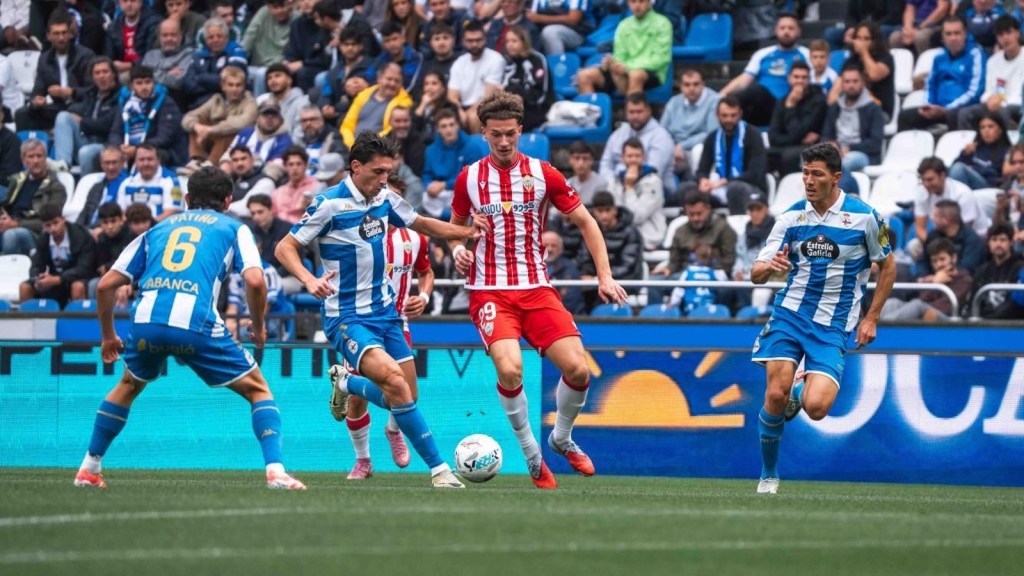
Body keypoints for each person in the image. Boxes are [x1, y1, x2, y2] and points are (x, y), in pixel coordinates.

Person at [275, 130, 488, 489]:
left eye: (388, 172)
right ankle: (440, 471)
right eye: (377, 172)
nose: (383, 179)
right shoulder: (329, 204)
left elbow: (420, 223)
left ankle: (347, 382)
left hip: (387, 314)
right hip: (347, 317)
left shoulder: (384, 197)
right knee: (392, 382)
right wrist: (310, 280)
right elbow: (285, 247)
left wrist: (463, 232)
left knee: (405, 395)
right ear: (356, 168)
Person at [73, 166, 306, 490]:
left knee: (128, 385)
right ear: (228, 201)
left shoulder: (157, 229)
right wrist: (258, 326)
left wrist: (108, 335)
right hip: (195, 322)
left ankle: (88, 468)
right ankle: (276, 472)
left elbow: (104, 286)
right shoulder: (235, 228)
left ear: (186, 199)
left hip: (147, 322)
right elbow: (255, 280)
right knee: (258, 390)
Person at [448, 91, 628, 489]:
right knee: (511, 368)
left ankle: (561, 438)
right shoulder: (469, 178)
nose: (504, 142)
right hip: (490, 291)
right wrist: (458, 249)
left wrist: (604, 275)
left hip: (537, 288)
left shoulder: (543, 174)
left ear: (521, 131)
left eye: (511, 134)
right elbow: (454, 227)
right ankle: (533, 456)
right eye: (496, 135)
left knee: (579, 368)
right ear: (483, 134)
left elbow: (586, 222)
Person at [750, 142, 896, 494]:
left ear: (836, 177)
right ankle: (769, 475)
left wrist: (871, 317)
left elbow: (888, 266)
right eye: (805, 174)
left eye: (817, 174)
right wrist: (769, 268)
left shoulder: (867, 217)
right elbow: (755, 273)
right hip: (789, 314)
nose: (809, 181)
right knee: (774, 394)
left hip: (834, 324)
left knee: (816, 408)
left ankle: (802, 388)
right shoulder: (790, 217)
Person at [329, 173, 435, 479]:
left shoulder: (414, 239)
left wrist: (424, 295)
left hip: (396, 322)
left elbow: (426, 272)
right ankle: (363, 460)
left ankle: (393, 428)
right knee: (360, 398)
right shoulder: (357, 236)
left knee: (409, 396)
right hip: (361, 320)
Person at [719, 13, 809, 127]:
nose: (786, 32)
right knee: (731, 106)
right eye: (782, 28)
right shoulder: (762, 54)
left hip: (788, 106)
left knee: (756, 91)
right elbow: (744, 80)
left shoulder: (806, 54)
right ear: (776, 30)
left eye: (791, 28)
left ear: (798, 31)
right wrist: (721, 96)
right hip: (762, 106)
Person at [897, 16, 986, 132]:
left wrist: (947, 109)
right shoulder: (939, 57)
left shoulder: (976, 54)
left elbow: (975, 91)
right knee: (905, 116)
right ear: (943, 37)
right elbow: (931, 85)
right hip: (937, 109)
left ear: (965, 34)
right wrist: (929, 107)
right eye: (948, 34)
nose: (953, 38)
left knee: (955, 115)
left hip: (960, 109)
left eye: (957, 33)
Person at [685, 95, 768, 215]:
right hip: (719, 189)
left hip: (751, 188)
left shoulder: (753, 135)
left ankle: (739, 228)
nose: (729, 119)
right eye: (724, 116)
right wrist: (703, 180)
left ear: (740, 114)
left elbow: (755, 173)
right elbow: (702, 169)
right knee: (688, 189)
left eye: (733, 115)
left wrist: (726, 181)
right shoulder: (712, 137)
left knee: (734, 188)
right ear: (717, 115)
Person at [15, 11, 95, 132]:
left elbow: (93, 91)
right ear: (49, 36)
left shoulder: (85, 56)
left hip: (81, 104)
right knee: (22, 114)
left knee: (71, 111)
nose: (61, 38)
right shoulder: (44, 60)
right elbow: (38, 90)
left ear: (71, 34)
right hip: (58, 106)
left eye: (64, 33)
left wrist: (70, 92)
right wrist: (36, 101)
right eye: (56, 34)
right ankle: (32, 147)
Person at [575, 0, 671, 97]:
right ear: (628, 3)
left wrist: (628, 67)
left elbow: (660, 59)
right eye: (633, 2)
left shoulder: (663, 23)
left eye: (641, 1)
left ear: (650, 2)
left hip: (652, 72)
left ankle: (633, 111)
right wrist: (613, 63)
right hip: (623, 70)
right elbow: (620, 55)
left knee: (635, 75)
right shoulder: (624, 25)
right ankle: (589, 111)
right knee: (584, 76)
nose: (637, 5)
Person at [576, 190, 644, 310]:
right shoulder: (590, 231)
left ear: (615, 210)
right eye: (600, 211)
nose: (604, 215)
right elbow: (585, 258)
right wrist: (590, 276)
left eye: (607, 210)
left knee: (601, 294)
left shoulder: (630, 232)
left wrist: (601, 278)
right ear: (594, 212)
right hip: (597, 280)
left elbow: (628, 265)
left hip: (626, 279)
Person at [598, 93, 675, 197]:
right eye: (631, 112)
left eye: (639, 112)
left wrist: (621, 177)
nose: (635, 116)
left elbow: (652, 170)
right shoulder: (618, 134)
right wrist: (614, 183)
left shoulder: (661, 136)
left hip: (655, 189)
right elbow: (605, 164)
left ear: (648, 111)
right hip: (619, 187)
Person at [19, 203, 96, 306]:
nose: (53, 229)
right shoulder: (43, 239)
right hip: (54, 278)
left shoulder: (81, 236)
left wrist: (58, 279)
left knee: (77, 287)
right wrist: (38, 279)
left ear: (63, 219)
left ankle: (77, 321)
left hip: (78, 278)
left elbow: (85, 268)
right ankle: (28, 321)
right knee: (24, 287)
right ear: (43, 226)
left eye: (55, 223)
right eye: (48, 225)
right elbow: (36, 264)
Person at [181, 65, 258, 167]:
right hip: (210, 140)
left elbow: (242, 122)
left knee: (227, 132)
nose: (234, 89)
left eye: (238, 85)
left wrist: (211, 130)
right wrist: (197, 127)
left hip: (235, 144)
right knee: (198, 123)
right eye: (230, 85)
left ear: (243, 86)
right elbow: (188, 117)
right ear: (223, 86)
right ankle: (196, 160)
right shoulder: (216, 99)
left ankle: (211, 164)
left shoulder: (250, 102)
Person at [1, 139, 68, 256]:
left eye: (39, 156)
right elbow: (7, 206)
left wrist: (17, 224)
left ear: (45, 159)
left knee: (12, 235)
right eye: (31, 157)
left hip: (34, 233)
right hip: (11, 223)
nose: (36, 161)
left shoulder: (56, 187)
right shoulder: (18, 180)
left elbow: (51, 222)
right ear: (23, 160)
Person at [108, 65, 185, 167]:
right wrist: (120, 146)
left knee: (152, 156)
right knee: (104, 156)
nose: (144, 87)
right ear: (132, 86)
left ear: (153, 83)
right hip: (127, 149)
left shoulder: (166, 103)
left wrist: (137, 149)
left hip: (157, 149)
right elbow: (115, 131)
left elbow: (165, 137)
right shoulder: (125, 103)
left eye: (148, 82)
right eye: (139, 83)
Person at [54, 56, 120, 174]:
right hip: (88, 138)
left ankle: (86, 189)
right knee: (63, 116)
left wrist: (82, 121)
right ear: (93, 77)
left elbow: (106, 125)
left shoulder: (121, 95)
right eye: (97, 73)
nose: (101, 76)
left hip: (108, 145)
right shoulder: (91, 93)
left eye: (105, 72)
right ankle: (63, 164)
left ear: (113, 74)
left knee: (85, 152)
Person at [957, 15, 1024, 131]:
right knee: (964, 113)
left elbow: (1020, 95)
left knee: (1003, 112)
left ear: (1018, 33)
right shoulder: (993, 61)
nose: (1005, 38)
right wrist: (989, 100)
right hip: (995, 103)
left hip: (1017, 105)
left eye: (1009, 33)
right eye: (1001, 35)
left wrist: (1001, 102)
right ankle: (974, 146)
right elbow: (989, 91)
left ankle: (1010, 146)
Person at [881, 237, 971, 320]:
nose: (938, 264)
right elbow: (923, 299)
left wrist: (936, 284)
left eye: (942, 259)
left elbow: (945, 307)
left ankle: (880, 329)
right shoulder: (935, 278)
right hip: (927, 311)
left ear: (954, 258)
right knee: (892, 303)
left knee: (917, 305)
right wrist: (935, 283)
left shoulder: (964, 280)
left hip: (951, 321)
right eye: (934, 261)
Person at [421, 108, 487, 218]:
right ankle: (450, 217)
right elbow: (427, 174)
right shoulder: (431, 150)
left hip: (461, 191)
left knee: (472, 196)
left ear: (458, 126)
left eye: (452, 125)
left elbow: (473, 177)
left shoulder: (471, 146)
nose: (449, 129)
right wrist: (428, 186)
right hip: (441, 194)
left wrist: (444, 185)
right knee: (425, 198)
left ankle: (454, 219)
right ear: (438, 129)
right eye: (444, 126)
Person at [767, 61, 828, 176]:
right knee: (765, 155)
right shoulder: (782, 102)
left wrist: (791, 106)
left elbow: (798, 131)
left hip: (812, 147)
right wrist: (797, 139)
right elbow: (773, 137)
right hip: (791, 145)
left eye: (804, 77)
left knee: (788, 156)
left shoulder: (818, 101)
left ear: (809, 79)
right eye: (796, 77)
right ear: (789, 79)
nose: (799, 81)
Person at [821, 64, 886, 173]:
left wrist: (849, 148)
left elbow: (875, 142)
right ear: (841, 84)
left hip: (863, 154)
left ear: (863, 83)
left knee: (842, 163)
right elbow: (826, 135)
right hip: (836, 152)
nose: (851, 85)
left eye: (855, 81)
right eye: (847, 82)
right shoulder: (835, 107)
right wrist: (832, 145)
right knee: (809, 161)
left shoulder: (874, 109)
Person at [607, 137, 665, 251]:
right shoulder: (615, 181)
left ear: (643, 158)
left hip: (649, 238)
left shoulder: (653, 181)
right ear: (622, 158)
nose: (633, 160)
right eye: (630, 156)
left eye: (637, 156)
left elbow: (636, 216)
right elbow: (615, 213)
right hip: (621, 237)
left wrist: (629, 187)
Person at [830, 22, 896, 122]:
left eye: (866, 39)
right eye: (858, 38)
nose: (861, 43)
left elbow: (874, 75)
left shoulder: (885, 58)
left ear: (875, 41)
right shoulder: (851, 61)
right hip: (851, 109)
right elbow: (834, 93)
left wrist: (864, 52)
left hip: (879, 112)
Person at [447, 20, 505, 133]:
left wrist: (468, 114)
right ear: (463, 41)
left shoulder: (496, 59)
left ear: (485, 39)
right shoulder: (459, 62)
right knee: (445, 118)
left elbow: (488, 96)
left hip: (487, 106)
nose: (474, 44)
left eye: (478, 40)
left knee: (475, 116)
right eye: (470, 41)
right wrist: (459, 111)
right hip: (462, 107)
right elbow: (452, 95)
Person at [913, 157, 989, 242]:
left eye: (930, 179)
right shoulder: (922, 192)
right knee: (914, 245)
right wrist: (933, 246)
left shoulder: (962, 194)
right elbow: (920, 229)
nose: (926, 184)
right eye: (923, 180)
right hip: (942, 239)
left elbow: (965, 231)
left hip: (975, 237)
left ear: (942, 176)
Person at [661, 69, 720, 179]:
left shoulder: (714, 100)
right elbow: (662, 132)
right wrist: (672, 148)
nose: (691, 88)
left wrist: (682, 146)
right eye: (687, 85)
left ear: (703, 84)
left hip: (698, 148)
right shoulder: (673, 102)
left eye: (696, 84)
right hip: (675, 150)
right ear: (680, 86)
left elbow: (711, 133)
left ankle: (699, 185)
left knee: (699, 150)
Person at [340, 62, 414, 149]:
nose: (392, 84)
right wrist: (351, 144)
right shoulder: (363, 94)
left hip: (378, 148)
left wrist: (365, 144)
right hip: (349, 146)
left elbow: (391, 130)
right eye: (389, 79)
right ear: (379, 78)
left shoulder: (404, 102)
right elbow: (347, 125)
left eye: (397, 81)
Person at [183, 18, 250, 110]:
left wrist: (200, 78)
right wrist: (214, 86)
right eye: (211, 37)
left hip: (229, 105)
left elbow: (231, 82)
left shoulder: (237, 52)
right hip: (199, 105)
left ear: (226, 37)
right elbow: (188, 85)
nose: (215, 40)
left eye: (219, 36)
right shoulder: (198, 55)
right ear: (206, 40)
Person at [246, 194, 304, 295]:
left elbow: (294, 262)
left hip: (290, 277)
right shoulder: (250, 231)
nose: (256, 217)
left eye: (260, 212)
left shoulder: (288, 229)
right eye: (253, 213)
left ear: (271, 209)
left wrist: (270, 276)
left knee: (266, 289)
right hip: (262, 277)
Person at [241, 0, 299, 99]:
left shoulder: (297, 18)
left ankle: (260, 107)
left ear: (289, 4)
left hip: (281, 66)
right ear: (268, 7)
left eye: (282, 6)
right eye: (275, 7)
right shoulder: (263, 13)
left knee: (261, 74)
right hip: (257, 65)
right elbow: (248, 38)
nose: (279, 11)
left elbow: (294, 50)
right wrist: (238, 60)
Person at [500, 25, 552, 132]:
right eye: (508, 41)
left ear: (524, 42)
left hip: (537, 109)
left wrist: (521, 96)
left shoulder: (537, 60)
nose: (510, 45)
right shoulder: (507, 62)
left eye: (514, 41)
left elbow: (542, 94)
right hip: (512, 109)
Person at [916, 199, 988, 276]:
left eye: (936, 216)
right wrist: (925, 277)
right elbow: (922, 262)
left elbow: (968, 267)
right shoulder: (933, 236)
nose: (933, 219)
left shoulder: (972, 240)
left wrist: (946, 275)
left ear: (946, 219)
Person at [115, 143, 184, 222]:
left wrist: (147, 228)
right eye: (141, 159)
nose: (146, 163)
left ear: (158, 160)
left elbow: (172, 212)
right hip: (131, 231)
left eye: (150, 159)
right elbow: (121, 213)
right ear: (135, 162)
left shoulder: (171, 181)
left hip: (160, 230)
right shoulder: (126, 183)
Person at [220, 99, 294, 169]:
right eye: (265, 114)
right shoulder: (245, 133)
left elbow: (275, 169)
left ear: (280, 119)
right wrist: (225, 165)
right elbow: (228, 155)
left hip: (265, 179)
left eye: (274, 115)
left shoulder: (285, 140)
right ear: (257, 117)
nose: (269, 118)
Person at [970, 222, 1024, 319]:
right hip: (982, 325)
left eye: (1002, 240)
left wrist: (990, 319)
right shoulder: (982, 270)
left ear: (1011, 242)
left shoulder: (1020, 268)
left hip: (1010, 325)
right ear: (988, 243)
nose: (998, 244)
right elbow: (973, 302)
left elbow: (1015, 305)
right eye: (994, 240)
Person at [948, 111, 1012, 190]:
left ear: (1000, 130)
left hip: (989, 187)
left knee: (959, 168)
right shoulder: (974, 147)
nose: (986, 131)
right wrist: (965, 154)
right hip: (969, 181)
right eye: (982, 127)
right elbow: (953, 168)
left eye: (990, 126)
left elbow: (996, 175)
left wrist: (973, 169)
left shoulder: (1007, 150)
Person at [140, 18, 194, 102]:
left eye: (173, 35)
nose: (169, 39)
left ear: (180, 36)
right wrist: (166, 73)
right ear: (159, 37)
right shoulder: (150, 55)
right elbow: (141, 79)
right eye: (165, 35)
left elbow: (177, 82)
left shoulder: (189, 54)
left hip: (175, 102)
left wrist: (152, 74)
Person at [89, 202, 135, 299]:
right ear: (100, 223)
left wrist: (109, 267)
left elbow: (133, 264)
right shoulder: (101, 239)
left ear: (122, 220)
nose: (110, 226)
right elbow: (101, 268)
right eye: (105, 222)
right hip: (109, 277)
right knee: (93, 284)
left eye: (113, 221)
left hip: (131, 278)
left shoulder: (132, 237)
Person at [76, 146, 129, 229]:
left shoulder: (128, 186)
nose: (110, 167)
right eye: (107, 163)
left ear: (122, 163)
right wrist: (76, 230)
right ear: (101, 164)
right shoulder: (97, 187)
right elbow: (85, 213)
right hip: (88, 231)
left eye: (114, 162)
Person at [369, 21, 425, 93]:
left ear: (403, 39)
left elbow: (410, 85)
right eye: (387, 41)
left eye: (395, 39)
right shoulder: (383, 57)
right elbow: (369, 75)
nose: (392, 44)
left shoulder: (415, 57)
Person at [259, 63, 309, 141]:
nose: (273, 80)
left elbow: (299, 137)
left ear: (289, 80)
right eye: (269, 78)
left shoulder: (302, 103)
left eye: (277, 76)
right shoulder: (264, 102)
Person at [225, 145, 279, 218]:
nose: (239, 163)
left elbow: (247, 208)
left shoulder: (265, 181)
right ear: (231, 164)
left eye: (243, 159)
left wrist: (220, 209)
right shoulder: (228, 179)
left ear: (252, 160)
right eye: (235, 160)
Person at [526, 0, 594, 55]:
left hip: (576, 33)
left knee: (550, 32)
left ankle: (556, 67)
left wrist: (540, 18)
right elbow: (531, 15)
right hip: (541, 29)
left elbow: (573, 19)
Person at [273, 146, 321, 223]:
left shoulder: (316, 187)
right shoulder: (278, 192)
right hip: (280, 232)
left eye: (298, 164)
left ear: (305, 165)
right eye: (291, 164)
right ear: (285, 166)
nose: (295, 168)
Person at [542, 230, 583, 314]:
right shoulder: (530, 268)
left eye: (554, 246)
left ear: (561, 249)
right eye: (545, 245)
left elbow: (571, 299)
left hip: (565, 315)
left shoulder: (570, 268)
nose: (549, 249)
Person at [296, 105, 345, 175]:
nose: (308, 123)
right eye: (304, 121)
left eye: (312, 119)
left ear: (322, 120)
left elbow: (342, 164)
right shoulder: (299, 143)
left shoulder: (334, 138)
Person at [566, 141, 606, 206]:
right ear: (570, 160)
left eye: (585, 158)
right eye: (577, 158)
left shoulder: (602, 184)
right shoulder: (567, 184)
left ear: (592, 160)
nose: (581, 163)